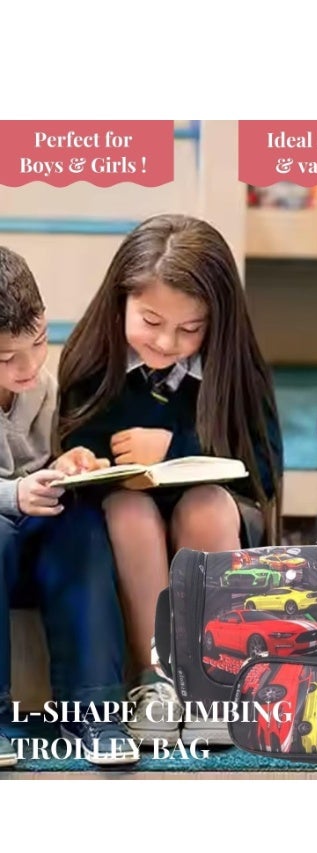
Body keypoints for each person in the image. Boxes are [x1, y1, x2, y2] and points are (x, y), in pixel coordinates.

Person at [55, 214, 284, 745]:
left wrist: (175, 449)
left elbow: (264, 470)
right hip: (124, 520)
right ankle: (154, 681)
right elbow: (74, 444)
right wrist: (80, 462)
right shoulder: (92, 362)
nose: (164, 342)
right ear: (121, 301)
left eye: (189, 329)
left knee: (204, 505)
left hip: (217, 518)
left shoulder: (236, 370)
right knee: (128, 510)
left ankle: (215, 681)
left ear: (216, 322)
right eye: (151, 320)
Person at [0, 246, 138, 767]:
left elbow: (41, 462)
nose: (30, 366)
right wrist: (15, 494)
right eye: (6, 358)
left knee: (80, 524)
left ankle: (94, 710)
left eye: (38, 343)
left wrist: (67, 462)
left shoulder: (41, 387)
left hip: (35, 539)